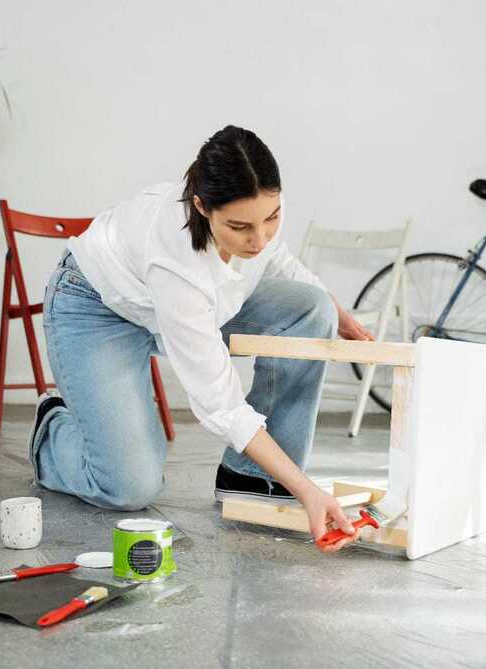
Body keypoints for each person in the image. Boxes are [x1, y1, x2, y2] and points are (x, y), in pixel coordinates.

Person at [31, 125, 374, 552]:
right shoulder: (177, 262)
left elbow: (281, 263)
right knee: (128, 488)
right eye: (240, 226)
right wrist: (308, 491)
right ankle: (52, 430)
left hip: (187, 305)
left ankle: (252, 475)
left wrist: (341, 316)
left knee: (312, 307)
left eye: (272, 217)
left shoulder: (254, 218)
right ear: (201, 206)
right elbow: (220, 403)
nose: (260, 238)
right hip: (97, 309)